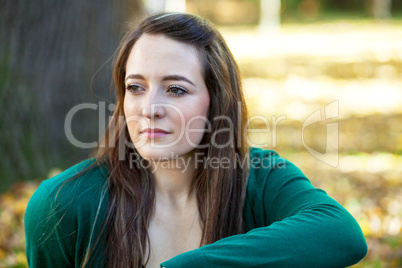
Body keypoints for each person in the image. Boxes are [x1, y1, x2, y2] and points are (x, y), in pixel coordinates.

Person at [25, 12, 368, 268]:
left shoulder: (259, 178)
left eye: (175, 89)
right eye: (135, 87)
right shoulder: (64, 205)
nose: (149, 109)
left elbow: (341, 233)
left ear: (216, 101)